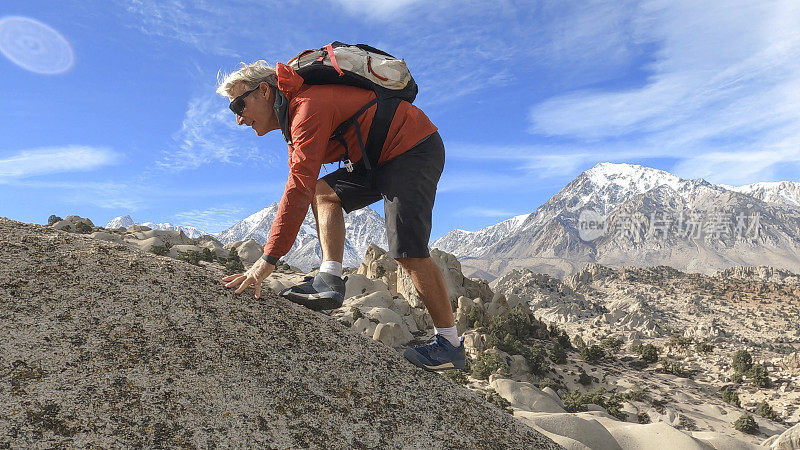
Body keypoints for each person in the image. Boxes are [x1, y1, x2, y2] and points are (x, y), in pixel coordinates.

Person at [216, 60, 464, 371]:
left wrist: (266, 262)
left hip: (412, 147)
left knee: (407, 251)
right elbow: (302, 185)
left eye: (239, 105)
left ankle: (450, 344)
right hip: (376, 157)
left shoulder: (307, 107)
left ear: (264, 91)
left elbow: (297, 188)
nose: (238, 119)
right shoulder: (293, 117)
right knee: (324, 193)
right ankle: (329, 280)